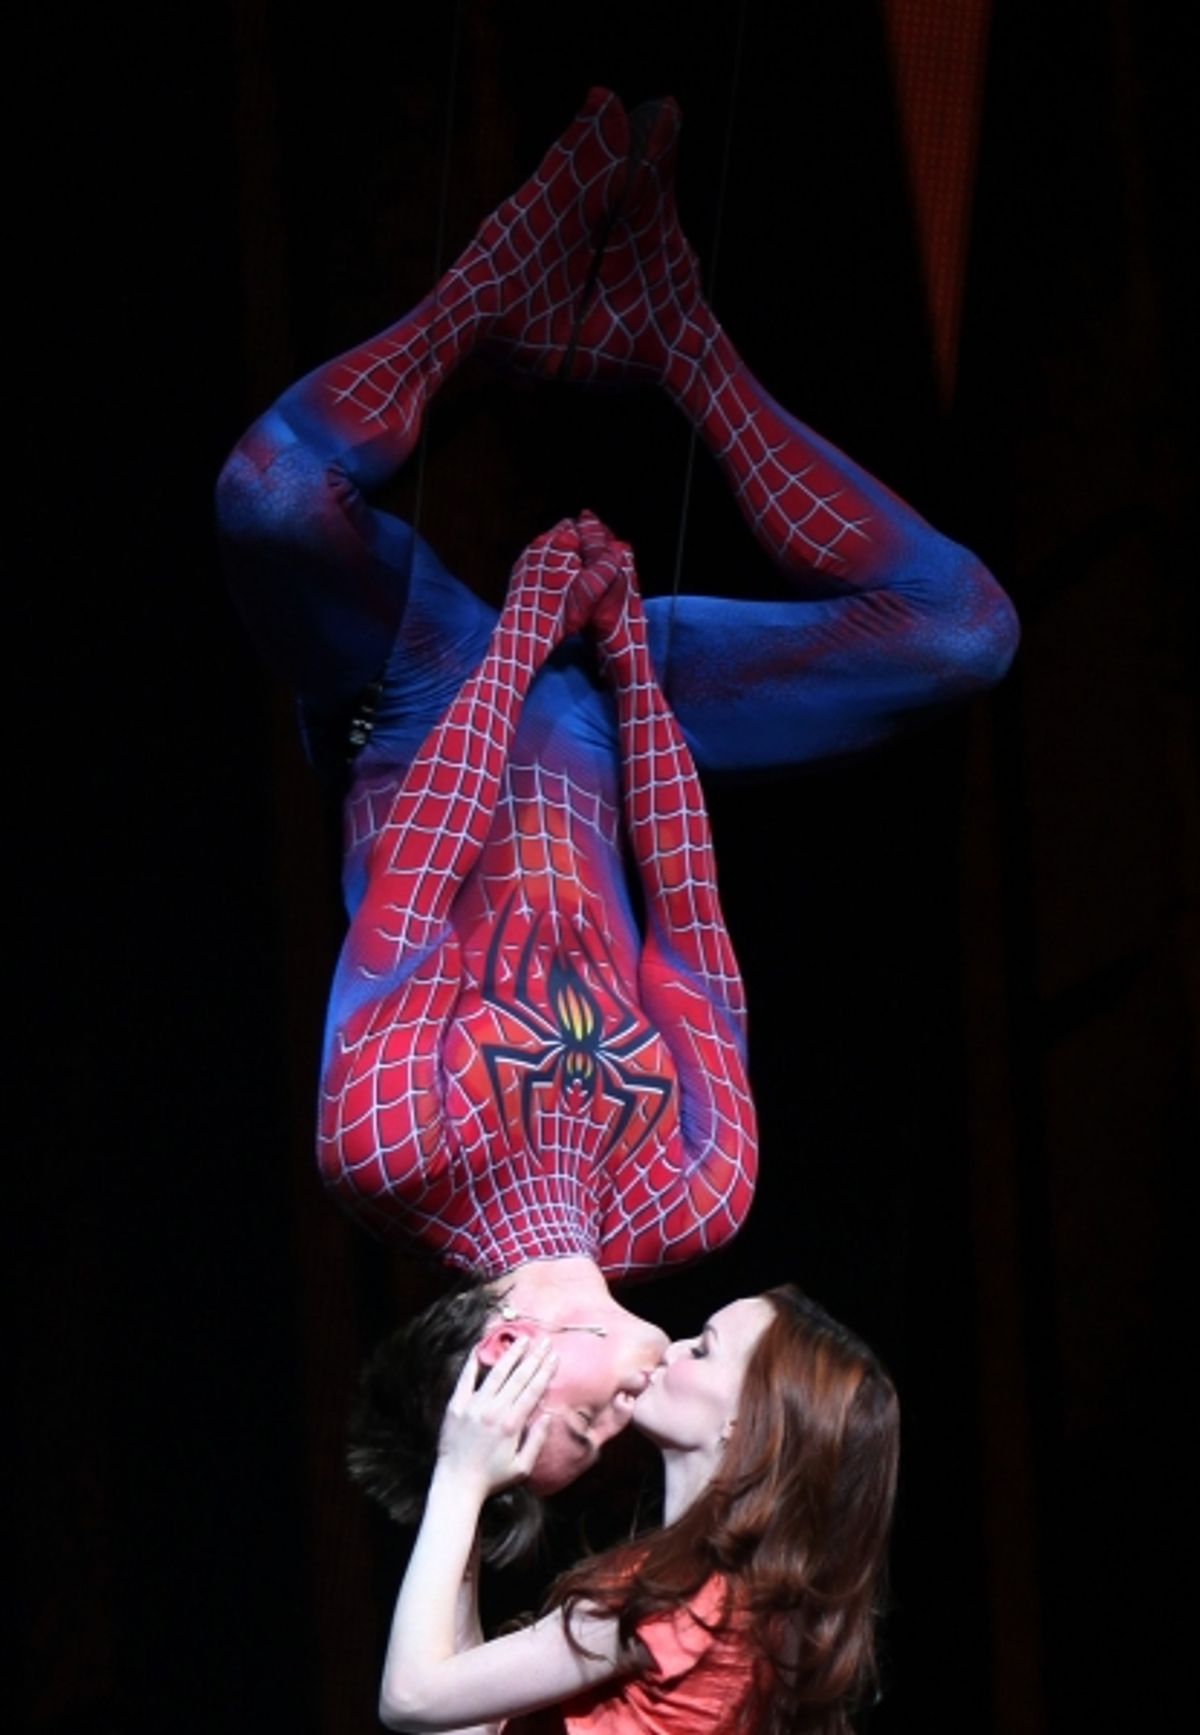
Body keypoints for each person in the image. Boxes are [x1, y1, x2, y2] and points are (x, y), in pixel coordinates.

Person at [215, 88, 1017, 1506]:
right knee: (965, 630)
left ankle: (493, 283)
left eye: (580, 1433)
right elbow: (691, 920)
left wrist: (521, 626)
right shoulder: (697, 1191)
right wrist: (629, 668)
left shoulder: (389, 1150)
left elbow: (422, 861)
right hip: (603, 721)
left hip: (424, 701)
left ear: (502, 1360)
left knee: (274, 494)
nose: (628, 1425)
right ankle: (679, 337)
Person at [374, 1284, 899, 1735]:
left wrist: (460, 1478)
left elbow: (410, 1697)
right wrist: (468, 1483)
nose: (673, 1349)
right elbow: (462, 1716)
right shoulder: (731, 1598)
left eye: (703, 1351)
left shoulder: (689, 1598)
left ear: (745, 1422)